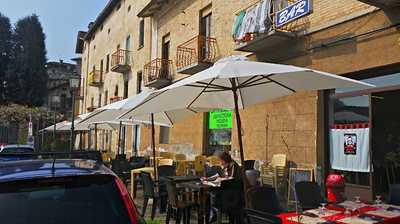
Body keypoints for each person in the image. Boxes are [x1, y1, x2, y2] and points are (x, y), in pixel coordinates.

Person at [204, 151, 243, 222]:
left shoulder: (233, 165)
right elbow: (219, 175)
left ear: (223, 160)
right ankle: (212, 212)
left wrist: (220, 179)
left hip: (234, 191)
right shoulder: (225, 165)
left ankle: (215, 212)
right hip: (227, 188)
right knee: (209, 193)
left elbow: (231, 178)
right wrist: (208, 179)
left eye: (220, 160)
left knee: (213, 193)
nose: (219, 162)